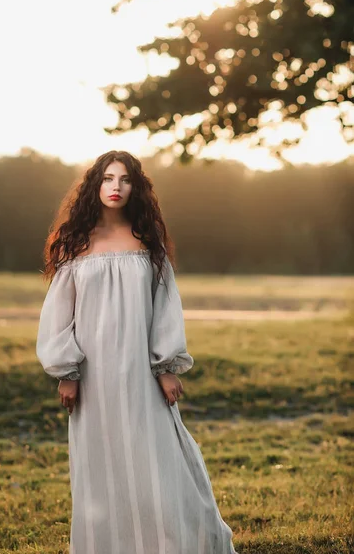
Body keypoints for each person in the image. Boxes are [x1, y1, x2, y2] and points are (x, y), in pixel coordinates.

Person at [36, 150, 238, 554]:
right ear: (95, 185)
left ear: (136, 187)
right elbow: (60, 314)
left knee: (159, 461)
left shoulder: (149, 243)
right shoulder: (75, 244)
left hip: (140, 372)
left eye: (124, 179)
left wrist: (165, 365)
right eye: (108, 178)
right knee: (103, 469)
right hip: (93, 376)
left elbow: (164, 306)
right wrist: (66, 372)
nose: (115, 187)